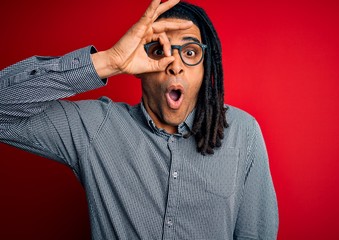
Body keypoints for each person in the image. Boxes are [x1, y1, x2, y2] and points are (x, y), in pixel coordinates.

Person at [0, 0, 278, 239]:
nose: (175, 63)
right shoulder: (97, 128)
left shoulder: (243, 133)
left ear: (206, 70)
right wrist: (111, 61)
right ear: (140, 67)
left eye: (190, 53)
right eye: (159, 50)